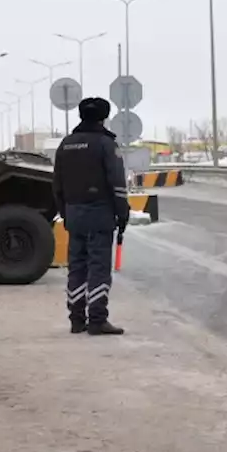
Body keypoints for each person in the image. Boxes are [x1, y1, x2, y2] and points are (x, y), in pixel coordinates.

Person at [53, 97, 128, 335]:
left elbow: (57, 185)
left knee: (77, 267)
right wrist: (122, 212)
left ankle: (76, 319)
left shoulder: (66, 144)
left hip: (74, 214)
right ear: (104, 117)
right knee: (98, 268)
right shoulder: (106, 144)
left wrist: (65, 213)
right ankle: (97, 319)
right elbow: (116, 182)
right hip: (99, 214)